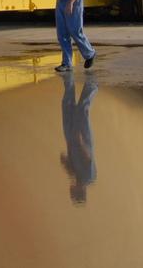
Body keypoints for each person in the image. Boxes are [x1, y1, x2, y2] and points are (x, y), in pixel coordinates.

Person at [59, 73, 98, 204]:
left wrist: (66, 165)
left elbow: (66, 160)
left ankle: (68, 79)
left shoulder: (76, 176)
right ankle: (92, 83)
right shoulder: (88, 177)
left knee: (67, 106)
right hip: (81, 138)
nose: (70, 190)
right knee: (82, 111)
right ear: (79, 191)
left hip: (71, 138)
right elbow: (88, 158)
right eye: (72, 192)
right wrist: (79, 140)